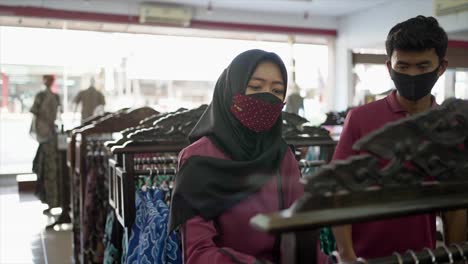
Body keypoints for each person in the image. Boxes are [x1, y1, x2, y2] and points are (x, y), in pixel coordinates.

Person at [331, 15, 467, 262]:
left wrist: (454, 256)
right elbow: (339, 193)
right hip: (365, 258)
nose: (412, 74)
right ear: (389, 67)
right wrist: (346, 254)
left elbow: (455, 206)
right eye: (403, 67)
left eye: (423, 66)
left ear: (442, 67)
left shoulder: (452, 128)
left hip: (423, 257)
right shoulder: (360, 119)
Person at [169, 49, 304, 264]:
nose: (267, 96)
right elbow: (198, 253)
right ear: (232, 89)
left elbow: (302, 232)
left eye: (277, 90)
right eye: (255, 87)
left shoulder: (282, 155)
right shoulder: (198, 159)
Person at [30, 74, 62, 214]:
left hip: (48, 138)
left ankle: (52, 202)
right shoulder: (50, 97)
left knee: (50, 172)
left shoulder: (45, 97)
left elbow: (36, 117)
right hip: (49, 137)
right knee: (50, 172)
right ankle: (52, 202)